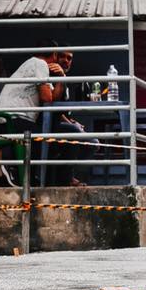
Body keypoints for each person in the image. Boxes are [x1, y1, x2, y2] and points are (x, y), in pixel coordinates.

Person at [0, 39, 65, 134]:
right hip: (14, 120)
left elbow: (53, 98)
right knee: (53, 139)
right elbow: (47, 100)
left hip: (5, 121)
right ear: (54, 54)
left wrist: (62, 77)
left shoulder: (32, 64)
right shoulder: (40, 64)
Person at [50, 46, 95, 186]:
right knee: (75, 133)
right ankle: (66, 179)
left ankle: (65, 174)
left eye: (69, 58)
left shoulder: (65, 80)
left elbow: (61, 112)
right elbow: (51, 109)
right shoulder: (49, 77)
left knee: (93, 143)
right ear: (55, 57)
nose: (66, 61)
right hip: (47, 126)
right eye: (62, 56)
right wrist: (71, 124)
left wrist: (72, 121)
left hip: (61, 125)